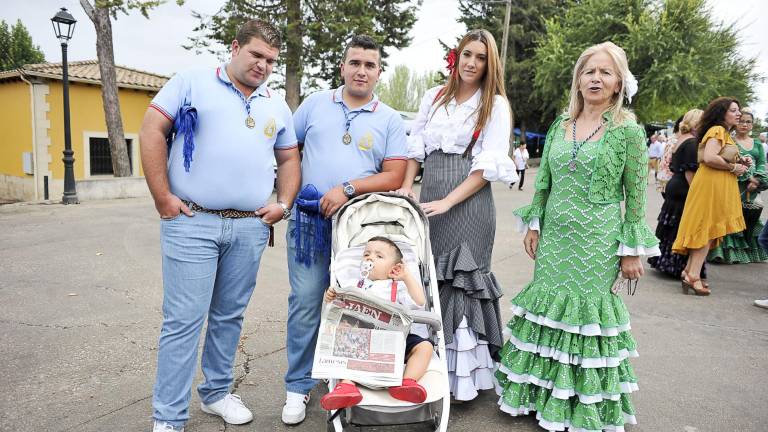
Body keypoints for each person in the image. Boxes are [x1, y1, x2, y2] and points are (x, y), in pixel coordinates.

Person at [140, 19, 301, 432]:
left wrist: (283, 204)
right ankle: (169, 418)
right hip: (192, 221)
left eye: (271, 60)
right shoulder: (190, 83)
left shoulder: (275, 104)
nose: (263, 65)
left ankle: (216, 394)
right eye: (256, 55)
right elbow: (152, 130)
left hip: (248, 227)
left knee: (229, 316)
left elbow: (289, 159)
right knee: (184, 320)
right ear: (234, 47)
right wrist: (162, 197)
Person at [496, 42, 658, 431]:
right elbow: (544, 181)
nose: (596, 78)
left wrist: (630, 253)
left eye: (605, 72)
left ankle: (578, 405)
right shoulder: (559, 125)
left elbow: (636, 196)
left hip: (596, 241)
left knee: (586, 317)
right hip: (555, 237)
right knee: (548, 311)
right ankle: (539, 395)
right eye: (589, 71)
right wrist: (534, 223)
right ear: (578, 80)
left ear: (619, 83)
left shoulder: (627, 132)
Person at [282, 35, 407, 425]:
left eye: (370, 65)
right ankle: (298, 386)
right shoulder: (315, 104)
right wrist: (286, 198)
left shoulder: (389, 118)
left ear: (378, 72)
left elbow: (395, 174)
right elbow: (286, 151)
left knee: (354, 303)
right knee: (305, 301)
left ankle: (343, 378)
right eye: (355, 62)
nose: (361, 70)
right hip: (310, 224)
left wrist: (348, 188)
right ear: (342, 67)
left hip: (361, 231)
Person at [396, 29, 518, 401]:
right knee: (430, 276)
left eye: (481, 58)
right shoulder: (433, 96)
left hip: (468, 202)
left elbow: (486, 168)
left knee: (462, 279)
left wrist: (449, 202)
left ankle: (461, 380)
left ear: (489, 64)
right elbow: (415, 148)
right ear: (457, 56)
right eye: (467, 54)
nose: (472, 63)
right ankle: (425, 365)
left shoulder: (494, 105)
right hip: (429, 194)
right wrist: (406, 188)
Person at [319, 237, 433, 409]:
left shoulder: (398, 286)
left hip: (395, 343)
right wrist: (330, 297)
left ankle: (407, 382)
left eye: (379, 256)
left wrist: (407, 277)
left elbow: (419, 302)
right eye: (366, 254)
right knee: (343, 344)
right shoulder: (354, 285)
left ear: (394, 268)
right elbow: (333, 311)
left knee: (425, 347)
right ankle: (347, 386)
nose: (370, 258)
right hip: (361, 344)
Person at [672, 97, 750, 295]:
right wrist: (734, 166)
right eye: (734, 110)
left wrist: (741, 161)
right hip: (712, 185)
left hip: (714, 184)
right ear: (722, 113)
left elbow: (718, 155)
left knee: (705, 229)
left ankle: (689, 271)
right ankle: (693, 276)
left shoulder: (722, 132)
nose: (738, 114)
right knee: (705, 230)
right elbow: (709, 157)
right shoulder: (718, 130)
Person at [648, 109, 707, 281]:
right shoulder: (691, 142)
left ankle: (664, 261)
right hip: (683, 187)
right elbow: (690, 173)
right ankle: (674, 265)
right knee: (679, 226)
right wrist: (698, 195)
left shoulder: (681, 139)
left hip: (675, 186)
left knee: (670, 225)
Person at [707, 108, 768, 263]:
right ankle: (726, 254)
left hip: (753, 187)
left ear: (753, 125)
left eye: (748, 122)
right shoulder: (729, 140)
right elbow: (724, 159)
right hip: (732, 183)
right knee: (729, 215)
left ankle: (747, 253)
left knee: (749, 217)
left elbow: (761, 163)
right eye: (741, 121)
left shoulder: (757, 144)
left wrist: (756, 180)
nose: (744, 125)